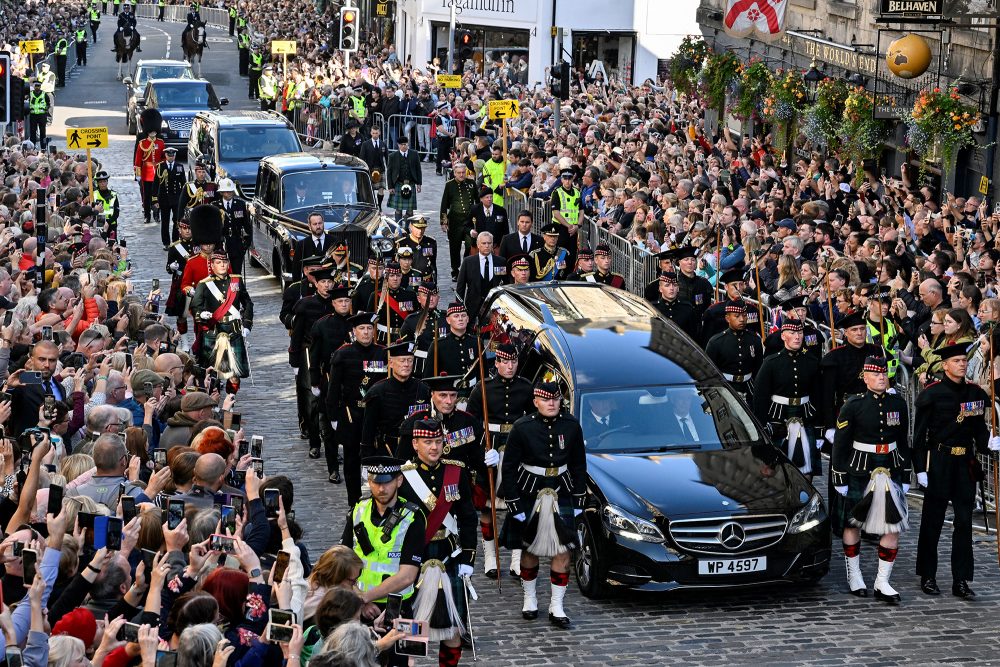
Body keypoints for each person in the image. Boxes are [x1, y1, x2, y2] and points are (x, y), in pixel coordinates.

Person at [913, 342, 998, 599]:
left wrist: (989, 444)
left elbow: (978, 431)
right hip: (939, 461)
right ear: (945, 365)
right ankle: (928, 575)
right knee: (933, 521)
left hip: (965, 464)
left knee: (963, 522)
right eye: (957, 361)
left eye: (964, 361)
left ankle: (961, 580)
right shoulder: (932, 394)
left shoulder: (974, 394)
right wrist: (920, 469)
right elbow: (919, 436)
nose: (962, 365)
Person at [500, 381, 587, 628]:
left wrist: (579, 497)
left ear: (561, 401)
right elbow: (509, 468)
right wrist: (513, 502)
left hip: (562, 489)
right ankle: (530, 598)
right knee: (529, 549)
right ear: (536, 402)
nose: (551, 403)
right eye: (546, 400)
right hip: (529, 492)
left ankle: (557, 605)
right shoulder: (522, 427)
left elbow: (579, 463)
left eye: (555, 399)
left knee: (563, 551)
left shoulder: (571, 426)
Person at [831, 355, 911, 604]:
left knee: (892, 525)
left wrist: (907, 472)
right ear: (865, 378)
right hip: (860, 469)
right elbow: (840, 445)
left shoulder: (898, 403)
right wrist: (840, 476)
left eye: (884, 374)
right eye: (875, 375)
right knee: (852, 523)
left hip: (890, 467)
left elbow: (903, 439)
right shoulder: (852, 405)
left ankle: (882, 581)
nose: (881, 378)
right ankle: (854, 574)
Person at [398, 419, 476, 666]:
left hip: (448, 554)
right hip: (414, 556)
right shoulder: (404, 476)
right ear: (415, 443)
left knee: (453, 629)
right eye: (427, 442)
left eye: (438, 441)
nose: (434, 447)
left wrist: (468, 558)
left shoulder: (456, 471)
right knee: (412, 627)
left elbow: (467, 516)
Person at [341, 456, 419, 667]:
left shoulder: (414, 517)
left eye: (386, 482)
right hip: (358, 609)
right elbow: (341, 561)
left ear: (399, 481)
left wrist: (365, 597)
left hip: (400, 608)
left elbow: (407, 575)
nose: (381, 488)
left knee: (405, 662)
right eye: (376, 482)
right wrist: (359, 598)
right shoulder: (359, 509)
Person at [467, 342, 534, 579]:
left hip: (517, 448)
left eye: (514, 361)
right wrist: (479, 451)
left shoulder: (526, 388)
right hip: (490, 447)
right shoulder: (482, 389)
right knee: (488, 506)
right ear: (496, 363)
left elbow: (533, 419)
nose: (510, 366)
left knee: (518, 504)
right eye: (505, 361)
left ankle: (516, 558)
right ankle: (491, 558)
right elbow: (472, 424)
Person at [753, 318, 822, 478]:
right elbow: (760, 397)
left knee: (807, 473)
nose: (797, 337)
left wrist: (819, 424)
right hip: (778, 418)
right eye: (792, 333)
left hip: (805, 416)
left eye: (800, 333)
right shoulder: (771, 362)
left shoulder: (811, 361)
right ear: (783, 336)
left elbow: (818, 394)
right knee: (775, 470)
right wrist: (762, 425)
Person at [329, 312, 388, 499]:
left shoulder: (383, 352)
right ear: (354, 331)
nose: (366, 333)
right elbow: (334, 389)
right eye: (362, 329)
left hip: (377, 416)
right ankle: (353, 501)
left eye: (369, 328)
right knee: (352, 460)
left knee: (377, 459)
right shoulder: (343, 354)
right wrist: (333, 417)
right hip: (352, 414)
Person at [819, 311, 885, 448]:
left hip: (873, 409)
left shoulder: (877, 351)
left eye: (862, 329)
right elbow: (827, 395)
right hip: (847, 411)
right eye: (854, 330)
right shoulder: (835, 357)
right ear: (846, 333)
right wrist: (830, 426)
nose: (859, 333)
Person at [190, 249, 254, 380]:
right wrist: (201, 314)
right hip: (213, 330)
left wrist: (247, 325)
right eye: (218, 262)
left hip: (234, 329)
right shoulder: (204, 284)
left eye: (224, 262)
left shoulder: (236, 281)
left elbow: (248, 303)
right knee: (211, 372)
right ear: (212, 265)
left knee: (235, 374)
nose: (222, 265)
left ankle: (232, 398)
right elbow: (195, 306)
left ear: (228, 264)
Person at [360, 340, 429, 459]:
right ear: (391, 363)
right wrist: (367, 458)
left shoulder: (423, 389)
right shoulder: (378, 391)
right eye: (402, 360)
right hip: (387, 449)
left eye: (410, 360)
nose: (406, 364)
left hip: (415, 451)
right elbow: (368, 429)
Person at [705, 299, 763, 403]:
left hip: (748, 388)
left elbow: (758, 369)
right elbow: (709, 373)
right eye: (737, 316)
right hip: (726, 387)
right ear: (727, 318)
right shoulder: (716, 342)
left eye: (744, 315)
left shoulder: (755, 340)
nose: (741, 319)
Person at [440, 162, 479, 279]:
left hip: (469, 221)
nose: (461, 175)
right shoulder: (449, 185)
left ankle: (466, 268)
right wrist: (444, 221)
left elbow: (477, 201)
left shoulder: (471, 183)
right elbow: (444, 205)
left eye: (463, 172)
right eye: (459, 173)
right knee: (455, 247)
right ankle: (455, 271)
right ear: (454, 173)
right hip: (455, 221)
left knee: (469, 245)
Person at [400, 282, 447, 378]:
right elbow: (404, 348)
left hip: (444, 366)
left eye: (434, 295)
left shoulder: (447, 318)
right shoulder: (411, 320)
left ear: (438, 297)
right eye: (426, 296)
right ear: (418, 299)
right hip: (420, 367)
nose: (431, 299)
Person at [366, 261, 417, 345]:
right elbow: (369, 319)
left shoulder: (410, 295)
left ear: (401, 277)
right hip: (383, 337)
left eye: (398, 275)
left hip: (404, 337)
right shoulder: (376, 296)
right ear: (386, 277)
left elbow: (415, 318)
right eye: (392, 276)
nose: (395, 279)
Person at [456, 233, 505, 317]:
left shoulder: (500, 261)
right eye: (484, 243)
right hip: (472, 307)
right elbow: (461, 286)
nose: (487, 246)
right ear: (478, 245)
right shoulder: (468, 262)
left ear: (492, 245)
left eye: (489, 243)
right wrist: (459, 307)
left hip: (495, 307)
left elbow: (506, 283)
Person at [165, 217, 196, 334]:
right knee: (181, 313)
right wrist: (171, 266)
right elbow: (168, 268)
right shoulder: (174, 247)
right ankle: (184, 342)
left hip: (196, 281)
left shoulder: (198, 245)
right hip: (180, 282)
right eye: (184, 228)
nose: (187, 231)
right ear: (180, 230)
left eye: (189, 228)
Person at [213, 179, 251, 274]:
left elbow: (246, 225)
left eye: (230, 191)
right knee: (222, 272)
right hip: (221, 243)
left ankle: (238, 288)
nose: (229, 193)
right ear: (221, 192)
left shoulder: (240, 204)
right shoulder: (215, 206)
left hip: (236, 242)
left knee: (236, 271)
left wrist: (246, 244)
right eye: (226, 191)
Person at [433, 302, 481, 378]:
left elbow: (484, 374)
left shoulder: (476, 342)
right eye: (456, 316)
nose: (460, 319)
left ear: (467, 319)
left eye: (463, 315)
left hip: (473, 389)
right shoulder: (438, 345)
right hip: (448, 389)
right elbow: (429, 376)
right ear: (448, 320)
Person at [134, 109, 165, 225]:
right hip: (146, 171)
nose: (153, 133)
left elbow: (163, 157)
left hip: (158, 171)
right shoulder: (142, 143)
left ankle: (157, 213)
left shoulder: (161, 142)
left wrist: (163, 168)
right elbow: (137, 160)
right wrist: (137, 174)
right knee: (146, 195)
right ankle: (147, 214)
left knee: (157, 195)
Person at [156, 146, 187, 249]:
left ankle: (175, 240)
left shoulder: (179, 167)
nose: (171, 158)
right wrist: (155, 199)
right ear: (165, 156)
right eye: (169, 156)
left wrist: (184, 198)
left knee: (176, 220)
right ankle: (166, 242)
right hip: (164, 198)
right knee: (164, 221)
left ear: (174, 156)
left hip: (176, 198)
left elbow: (184, 184)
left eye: (172, 156)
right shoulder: (160, 167)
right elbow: (155, 184)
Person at [651, 271, 697, 339]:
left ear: (678, 288)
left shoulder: (687, 309)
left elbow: (693, 336)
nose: (671, 288)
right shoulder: (653, 308)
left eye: (674, 285)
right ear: (660, 289)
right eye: (667, 285)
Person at [550, 168, 582, 263]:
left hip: (573, 229)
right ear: (561, 179)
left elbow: (581, 211)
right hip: (561, 228)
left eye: (570, 178)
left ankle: (569, 276)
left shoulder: (577, 192)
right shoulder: (557, 192)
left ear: (573, 179)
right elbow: (556, 213)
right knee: (559, 256)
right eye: (565, 178)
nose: (567, 181)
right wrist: (569, 226)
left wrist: (577, 226)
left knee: (572, 256)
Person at [387, 135, 421, 222]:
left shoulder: (414, 154)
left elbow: (418, 169)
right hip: (398, 184)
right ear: (398, 145)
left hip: (411, 183)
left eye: (405, 144)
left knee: (410, 210)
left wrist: (419, 184)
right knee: (398, 209)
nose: (404, 146)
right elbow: (389, 172)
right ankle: (398, 226)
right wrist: (390, 187)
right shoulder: (392, 156)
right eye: (402, 144)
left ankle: (407, 228)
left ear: (408, 144)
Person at [395, 215, 438, 282]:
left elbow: (433, 264)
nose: (420, 231)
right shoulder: (402, 243)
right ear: (411, 226)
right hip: (412, 279)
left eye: (423, 228)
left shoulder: (430, 242)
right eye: (417, 228)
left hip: (427, 279)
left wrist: (434, 281)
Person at [359, 125, 388, 210]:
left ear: (379, 133)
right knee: (368, 190)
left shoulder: (383, 144)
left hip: (380, 169)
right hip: (369, 170)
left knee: (381, 189)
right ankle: (371, 206)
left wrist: (388, 168)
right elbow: (361, 158)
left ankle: (379, 206)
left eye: (376, 133)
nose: (375, 135)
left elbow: (387, 157)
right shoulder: (365, 144)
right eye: (373, 133)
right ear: (371, 133)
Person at [92, 170, 121, 236]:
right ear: (98, 183)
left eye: (104, 181)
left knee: (112, 242)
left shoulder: (113, 194)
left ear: (107, 182)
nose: (103, 184)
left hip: (112, 223)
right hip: (100, 223)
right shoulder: (94, 194)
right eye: (101, 182)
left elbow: (116, 212)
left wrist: (108, 222)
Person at [28, 80, 49, 150]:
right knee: (32, 131)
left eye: (38, 86)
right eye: (36, 86)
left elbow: (48, 103)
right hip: (33, 115)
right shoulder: (30, 94)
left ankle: (43, 147)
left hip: (42, 116)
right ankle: (32, 146)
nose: (37, 87)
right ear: (34, 86)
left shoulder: (44, 94)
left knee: (43, 132)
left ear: (40, 86)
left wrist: (46, 110)